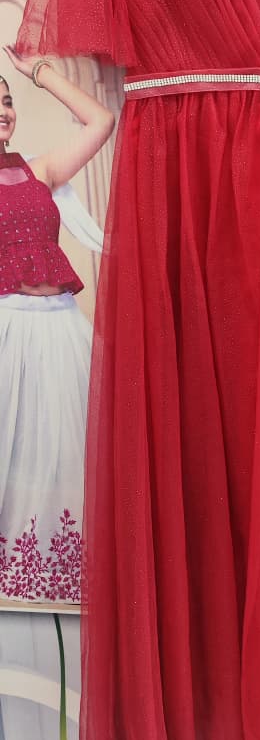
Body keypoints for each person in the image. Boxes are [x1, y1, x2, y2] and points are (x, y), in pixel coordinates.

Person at [0, 47, 114, 603]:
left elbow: (102, 121)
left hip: (60, 330)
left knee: (67, 458)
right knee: (12, 455)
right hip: (7, 331)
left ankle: (57, 583)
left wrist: (39, 74)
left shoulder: (38, 170)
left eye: (5, 102)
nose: (3, 112)